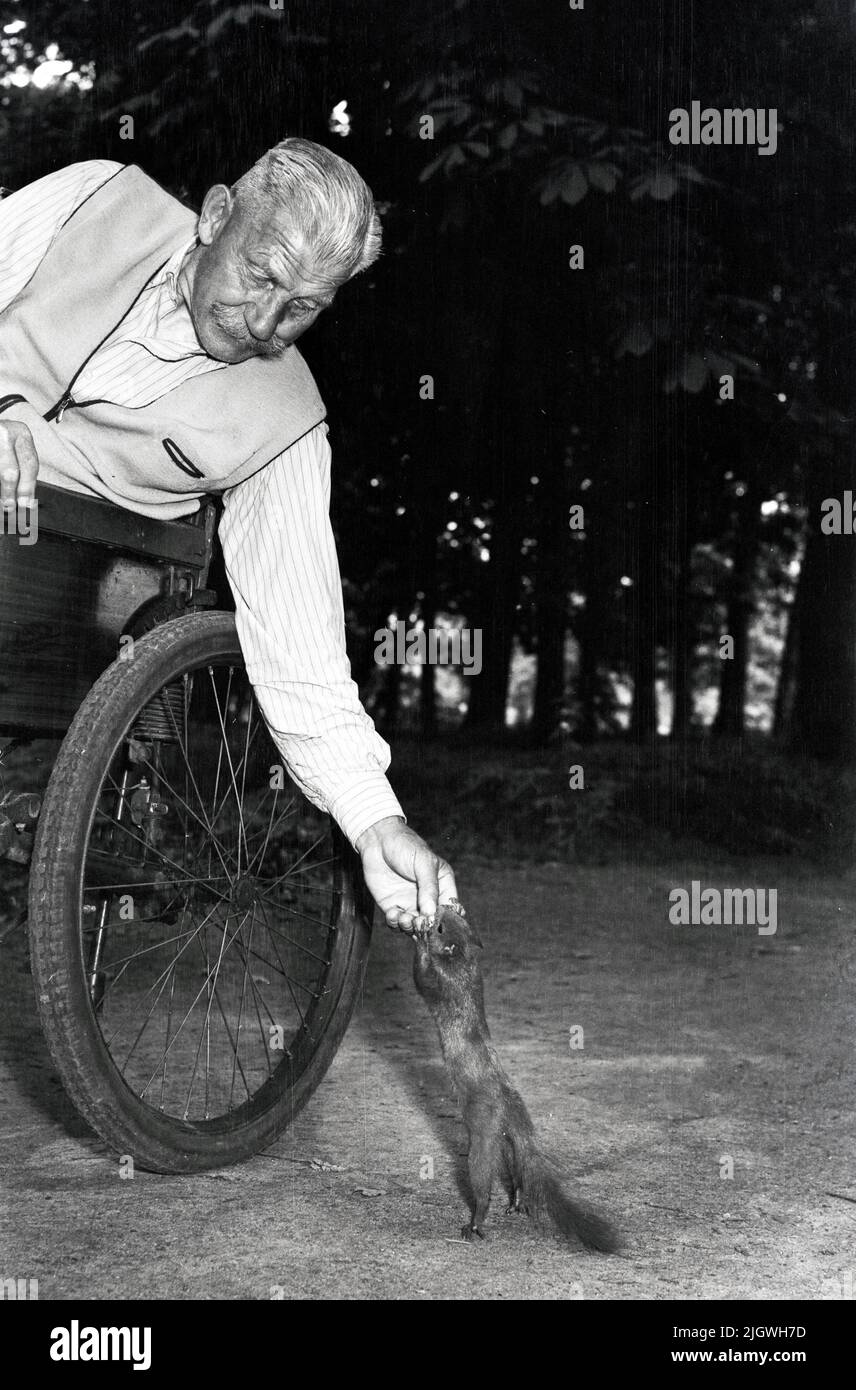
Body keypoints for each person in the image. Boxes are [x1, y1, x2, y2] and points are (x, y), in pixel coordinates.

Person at [0, 139, 456, 932]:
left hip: (60, 607)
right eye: (263, 275)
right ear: (215, 216)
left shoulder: (285, 424)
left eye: (306, 306)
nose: (268, 325)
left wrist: (374, 819)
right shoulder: (93, 200)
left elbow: (299, 645)